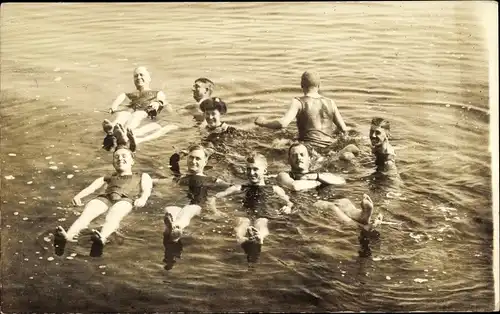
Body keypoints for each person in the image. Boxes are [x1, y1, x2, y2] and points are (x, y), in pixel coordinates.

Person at [54, 146, 153, 257]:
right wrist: (78, 196)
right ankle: (68, 236)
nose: (120, 159)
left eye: (124, 156)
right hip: (106, 197)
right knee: (87, 213)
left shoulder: (142, 176)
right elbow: (91, 188)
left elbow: (147, 189)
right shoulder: (108, 177)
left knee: (114, 214)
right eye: (116, 157)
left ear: (132, 161)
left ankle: (102, 236)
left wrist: (143, 199)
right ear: (113, 163)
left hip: (126, 199)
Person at [209, 153, 294, 266]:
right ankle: (241, 239)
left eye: (255, 169)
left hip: (263, 213)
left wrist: (287, 207)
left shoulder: (274, 188)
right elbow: (214, 197)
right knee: (242, 222)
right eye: (248, 169)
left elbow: (289, 201)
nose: (251, 173)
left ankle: (259, 238)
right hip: (244, 213)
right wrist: (215, 211)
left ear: (264, 171)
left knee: (261, 222)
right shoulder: (239, 187)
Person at [156, 144, 230, 269]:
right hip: (179, 204)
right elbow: (159, 179)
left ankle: (176, 227)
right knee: (170, 210)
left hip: (196, 206)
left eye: (197, 159)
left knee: (187, 211)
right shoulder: (179, 178)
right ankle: (173, 237)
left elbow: (232, 186)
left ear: (205, 161)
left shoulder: (211, 179)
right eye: (191, 158)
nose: (193, 161)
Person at [254, 71, 349, 151]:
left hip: (308, 148)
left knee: (278, 144)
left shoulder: (298, 102)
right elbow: (344, 130)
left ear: (301, 85)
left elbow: (283, 124)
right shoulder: (331, 102)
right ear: (319, 85)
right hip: (330, 147)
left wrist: (262, 122)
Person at [102, 66, 176, 151]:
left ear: (149, 78)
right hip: (131, 109)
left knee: (137, 116)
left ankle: (126, 133)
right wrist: (113, 107)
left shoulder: (157, 92)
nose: (138, 77)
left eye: (141, 75)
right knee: (123, 114)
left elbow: (162, 99)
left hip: (145, 110)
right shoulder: (130, 94)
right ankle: (113, 127)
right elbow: (119, 99)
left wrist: (157, 103)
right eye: (136, 76)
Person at [277, 142, 346, 191]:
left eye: (302, 155)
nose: (299, 158)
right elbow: (294, 186)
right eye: (294, 155)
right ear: (289, 160)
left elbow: (341, 181)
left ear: (309, 159)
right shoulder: (283, 175)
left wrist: (317, 176)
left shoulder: (318, 174)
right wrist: (318, 182)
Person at [314, 194, 383, 232]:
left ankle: (363, 223)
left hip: (329, 200)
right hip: (342, 199)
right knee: (347, 206)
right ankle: (360, 214)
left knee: (329, 206)